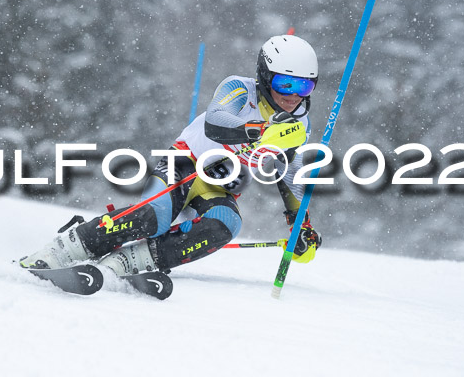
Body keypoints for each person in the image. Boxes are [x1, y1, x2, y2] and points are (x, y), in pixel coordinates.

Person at [19, 35, 322, 276]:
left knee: (225, 224)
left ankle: (131, 263)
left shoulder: (299, 124)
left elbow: (290, 172)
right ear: (265, 76)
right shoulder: (239, 89)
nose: (294, 95)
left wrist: (300, 224)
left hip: (220, 185)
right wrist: (258, 129)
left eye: (304, 86)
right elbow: (216, 121)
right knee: (155, 217)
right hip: (183, 165)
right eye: (285, 82)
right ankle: (66, 247)